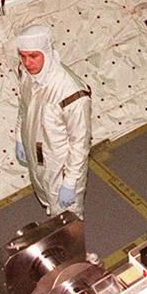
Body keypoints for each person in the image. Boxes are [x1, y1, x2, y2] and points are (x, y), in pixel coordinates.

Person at [14, 25, 92, 219]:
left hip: (61, 165)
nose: (27, 62)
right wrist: (19, 137)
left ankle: (74, 247)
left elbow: (80, 142)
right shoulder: (27, 75)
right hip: (38, 159)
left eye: (33, 56)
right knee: (50, 202)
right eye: (23, 56)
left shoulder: (71, 92)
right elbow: (23, 109)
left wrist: (71, 181)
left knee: (68, 217)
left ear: (47, 53)